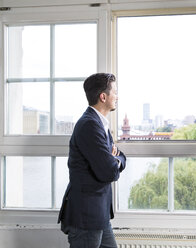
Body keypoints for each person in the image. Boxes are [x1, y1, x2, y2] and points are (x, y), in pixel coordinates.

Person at [58, 73, 126, 248]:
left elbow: (120, 156)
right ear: (103, 97)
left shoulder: (100, 123)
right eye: (115, 92)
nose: (117, 96)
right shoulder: (90, 125)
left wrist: (114, 159)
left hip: (98, 215)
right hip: (86, 217)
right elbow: (108, 172)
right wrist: (113, 161)